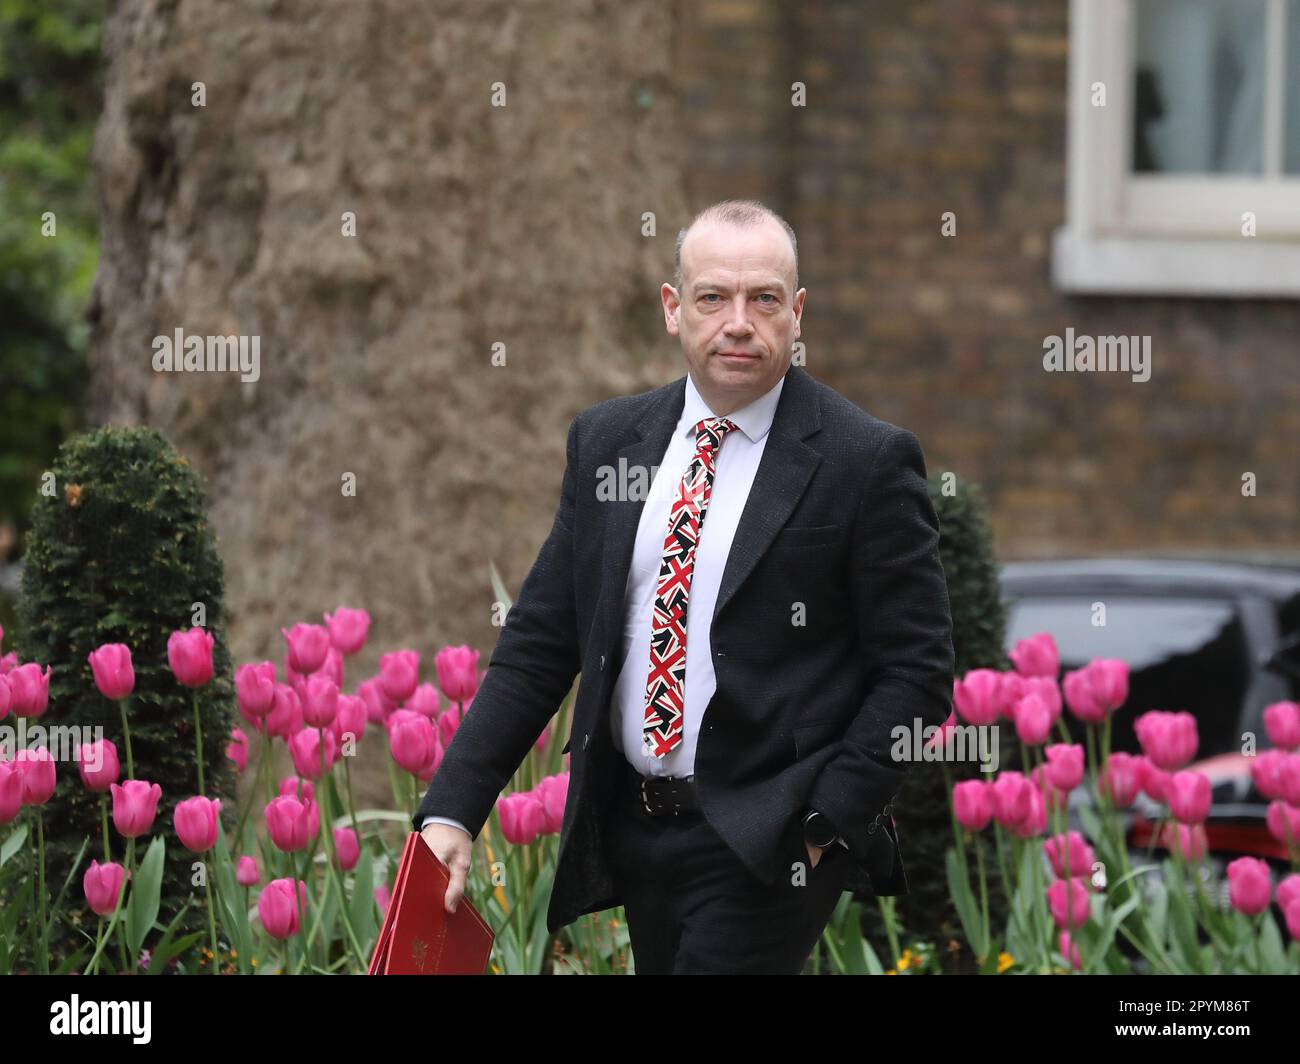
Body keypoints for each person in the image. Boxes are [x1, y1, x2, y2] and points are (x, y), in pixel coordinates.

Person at [412, 198, 955, 974]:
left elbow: (918, 670)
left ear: (796, 314)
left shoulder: (863, 461)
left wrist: (825, 820)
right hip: (635, 829)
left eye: (764, 299)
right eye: (713, 298)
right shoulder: (608, 443)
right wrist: (453, 811)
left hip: (769, 843)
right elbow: (540, 643)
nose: (740, 322)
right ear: (674, 309)